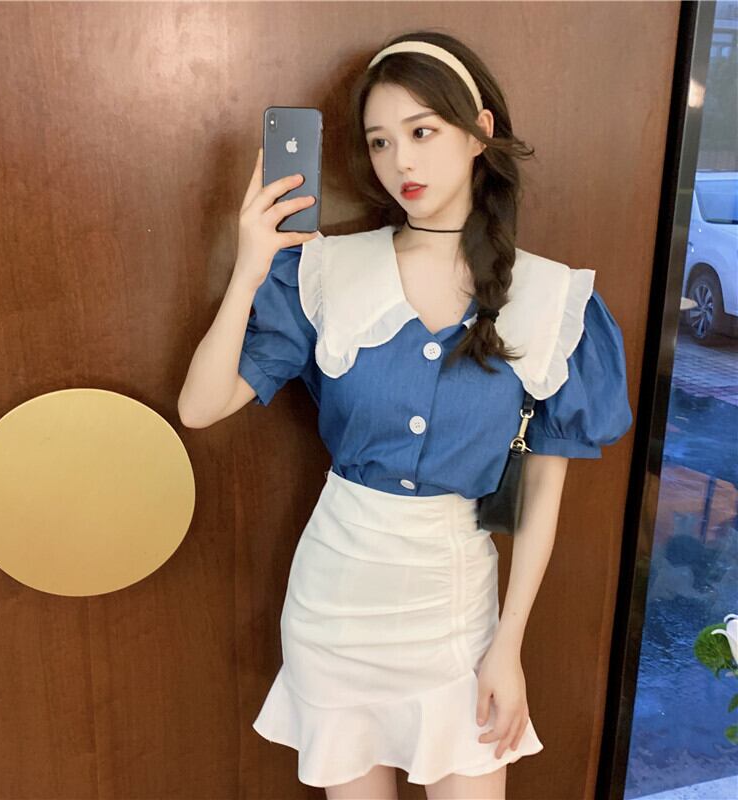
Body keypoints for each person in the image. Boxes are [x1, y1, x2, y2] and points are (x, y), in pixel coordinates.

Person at [178, 29, 633, 800]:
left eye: (422, 132)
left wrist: (509, 645)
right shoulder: (326, 271)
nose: (401, 163)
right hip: (334, 606)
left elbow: (543, 495)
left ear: (480, 132)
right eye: (380, 142)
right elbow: (199, 406)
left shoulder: (553, 299)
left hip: (454, 611)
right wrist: (252, 266)